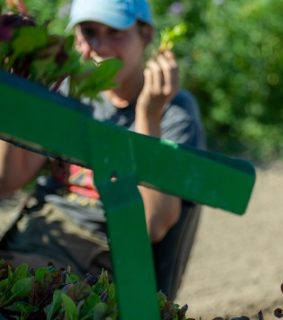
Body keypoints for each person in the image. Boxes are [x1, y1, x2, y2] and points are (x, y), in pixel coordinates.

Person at [0, 0, 205, 299]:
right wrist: (18, 95)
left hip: (95, 263)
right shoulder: (71, 90)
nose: (100, 45)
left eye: (115, 32)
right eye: (89, 31)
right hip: (32, 240)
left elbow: (153, 225)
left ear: (145, 34)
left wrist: (147, 116)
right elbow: (8, 179)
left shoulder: (173, 113)